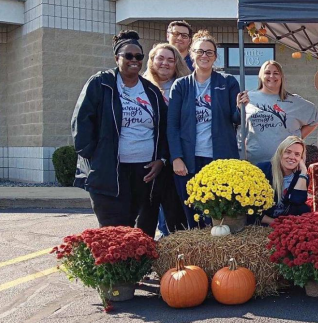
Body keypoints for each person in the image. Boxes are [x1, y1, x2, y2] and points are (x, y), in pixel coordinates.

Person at [71, 30, 167, 235]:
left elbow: (164, 128)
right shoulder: (101, 84)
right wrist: (96, 157)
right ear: (117, 58)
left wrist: (161, 159)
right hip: (111, 171)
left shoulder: (150, 91)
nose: (134, 60)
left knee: (142, 232)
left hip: (145, 172)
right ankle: (117, 268)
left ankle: (139, 267)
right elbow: (82, 122)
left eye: (138, 56)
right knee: (113, 232)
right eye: (128, 56)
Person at [167, 30, 242, 228]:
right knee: (193, 213)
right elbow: (172, 125)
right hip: (189, 159)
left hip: (219, 158)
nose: (204, 56)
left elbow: (236, 119)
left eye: (209, 52)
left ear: (215, 56)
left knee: (218, 212)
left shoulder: (227, 82)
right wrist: (176, 157)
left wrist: (241, 108)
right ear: (192, 54)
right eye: (200, 52)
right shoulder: (181, 85)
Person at [142, 43, 190, 234]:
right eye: (160, 58)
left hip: (176, 159)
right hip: (147, 159)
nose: (165, 63)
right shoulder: (141, 87)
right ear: (152, 61)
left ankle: (177, 260)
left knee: (175, 216)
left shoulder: (185, 87)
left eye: (171, 60)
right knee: (145, 216)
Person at [236, 60, 318, 164]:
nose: (272, 76)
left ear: (281, 76)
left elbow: (316, 119)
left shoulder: (294, 101)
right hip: (255, 163)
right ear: (260, 76)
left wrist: (297, 137)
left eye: (276, 73)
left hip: (285, 165)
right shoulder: (248, 98)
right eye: (267, 73)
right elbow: (239, 125)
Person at [256, 135, 310, 224]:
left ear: (301, 158)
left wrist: (304, 172)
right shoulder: (263, 169)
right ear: (280, 153)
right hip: (265, 217)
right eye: (288, 152)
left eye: (297, 154)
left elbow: (298, 201)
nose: (292, 157)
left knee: (304, 209)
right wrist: (274, 223)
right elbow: (252, 207)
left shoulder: (301, 176)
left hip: (286, 218)